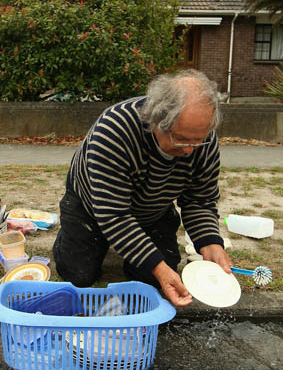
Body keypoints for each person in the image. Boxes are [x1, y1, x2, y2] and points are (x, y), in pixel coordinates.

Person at [52, 70, 232, 307]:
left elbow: (199, 201)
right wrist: (158, 268)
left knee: (151, 279)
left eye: (197, 140)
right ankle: (77, 235)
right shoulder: (114, 130)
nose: (190, 150)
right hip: (93, 206)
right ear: (157, 121)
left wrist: (211, 243)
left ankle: (135, 245)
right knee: (79, 275)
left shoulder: (202, 140)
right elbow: (114, 215)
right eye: (182, 139)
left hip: (152, 207)